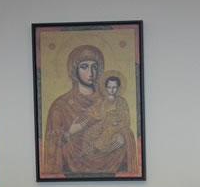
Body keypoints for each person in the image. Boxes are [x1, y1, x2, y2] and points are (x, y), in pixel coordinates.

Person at [41, 45, 137, 176]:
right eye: (84, 67)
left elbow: (125, 125)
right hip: (70, 175)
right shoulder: (61, 106)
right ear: (74, 70)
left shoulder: (111, 100)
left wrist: (123, 137)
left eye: (94, 67)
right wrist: (70, 132)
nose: (90, 73)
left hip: (112, 169)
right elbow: (51, 146)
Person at [82, 75, 132, 155]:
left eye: (114, 87)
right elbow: (96, 108)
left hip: (115, 125)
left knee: (101, 141)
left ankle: (103, 151)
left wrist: (116, 124)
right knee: (88, 133)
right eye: (109, 87)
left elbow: (125, 118)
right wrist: (87, 110)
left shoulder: (121, 101)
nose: (111, 90)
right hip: (103, 123)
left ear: (118, 88)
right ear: (106, 88)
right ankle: (88, 154)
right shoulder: (104, 100)